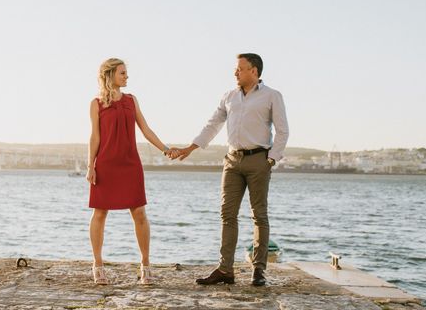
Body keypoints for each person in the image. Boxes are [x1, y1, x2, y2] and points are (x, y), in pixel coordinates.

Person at [170, 53, 289, 286]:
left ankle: (258, 270)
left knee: (259, 215)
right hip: (232, 161)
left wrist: (271, 160)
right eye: (236, 69)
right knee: (227, 214)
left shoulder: (272, 96)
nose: (235, 73)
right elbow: (212, 124)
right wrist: (190, 148)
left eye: (240, 69)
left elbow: (283, 131)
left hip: (259, 160)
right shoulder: (229, 96)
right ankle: (225, 270)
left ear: (254, 71)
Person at [87, 58, 170, 285]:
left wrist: (165, 149)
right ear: (110, 74)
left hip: (130, 164)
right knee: (100, 213)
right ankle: (98, 265)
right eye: (122, 73)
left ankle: (145, 265)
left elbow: (145, 129)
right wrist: (90, 166)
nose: (126, 77)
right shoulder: (96, 104)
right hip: (105, 165)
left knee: (139, 213)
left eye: (126, 73)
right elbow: (95, 137)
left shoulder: (132, 100)